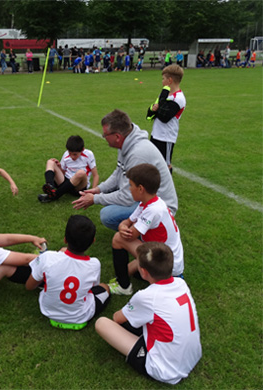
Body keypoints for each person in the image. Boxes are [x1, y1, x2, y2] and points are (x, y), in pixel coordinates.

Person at [95, 242, 201, 385]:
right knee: (144, 319)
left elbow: (117, 318)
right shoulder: (181, 283)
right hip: (192, 355)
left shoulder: (146, 296)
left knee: (102, 323)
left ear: (143, 272)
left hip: (166, 370)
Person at [72, 109, 177, 232]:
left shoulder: (137, 154)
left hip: (162, 207)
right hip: (145, 198)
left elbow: (127, 197)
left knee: (108, 215)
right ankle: (139, 229)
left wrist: (95, 199)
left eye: (105, 135)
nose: (104, 137)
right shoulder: (126, 142)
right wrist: (98, 190)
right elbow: (118, 172)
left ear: (117, 136)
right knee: (112, 206)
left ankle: (147, 234)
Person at [107, 164, 184, 295]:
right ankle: (130, 276)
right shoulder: (149, 203)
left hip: (168, 266)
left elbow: (130, 235)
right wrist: (122, 226)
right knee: (127, 268)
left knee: (118, 239)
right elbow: (128, 222)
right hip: (164, 257)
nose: (130, 189)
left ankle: (123, 287)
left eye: (131, 185)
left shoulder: (153, 210)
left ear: (141, 189)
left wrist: (123, 229)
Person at [26, 215, 110, 330]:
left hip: (49, 311)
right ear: (93, 241)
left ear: (65, 239)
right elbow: (93, 288)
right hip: (81, 316)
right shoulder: (94, 264)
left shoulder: (48, 257)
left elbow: (29, 286)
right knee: (105, 287)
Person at [146, 64, 186, 172]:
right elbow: (150, 115)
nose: (162, 81)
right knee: (153, 162)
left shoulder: (179, 98)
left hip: (166, 137)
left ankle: (167, 188)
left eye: (163, 79)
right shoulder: (164, 95)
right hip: (156, 134)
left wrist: (158, 108)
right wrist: (154, 110)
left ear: (170, 80)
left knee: (165, 164)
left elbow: (165, 117)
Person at [38, 135, 99, 203]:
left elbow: (95, 175)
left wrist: (92, 192)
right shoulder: (66, 154)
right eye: (70, 153)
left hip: (79, 187)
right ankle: (50, 186)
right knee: (50, 162)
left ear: (82, 150)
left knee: (81, 173)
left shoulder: (89, 154)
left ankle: (53, 196)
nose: (72, 156)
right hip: (66, 182)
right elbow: (63, 173)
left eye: (75, 154)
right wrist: (59, 167)